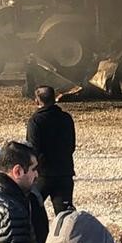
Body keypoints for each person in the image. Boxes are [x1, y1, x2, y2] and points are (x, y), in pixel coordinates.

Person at [25, 86, 77, 215]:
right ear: (55, 99)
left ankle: (39, 235)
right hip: (64, 173)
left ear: (37, 101)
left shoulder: (35, 121)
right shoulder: (66, 118)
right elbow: (71, 146)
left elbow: (33, 149)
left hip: (43, 175)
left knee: (31, 211)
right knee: (65, 216)